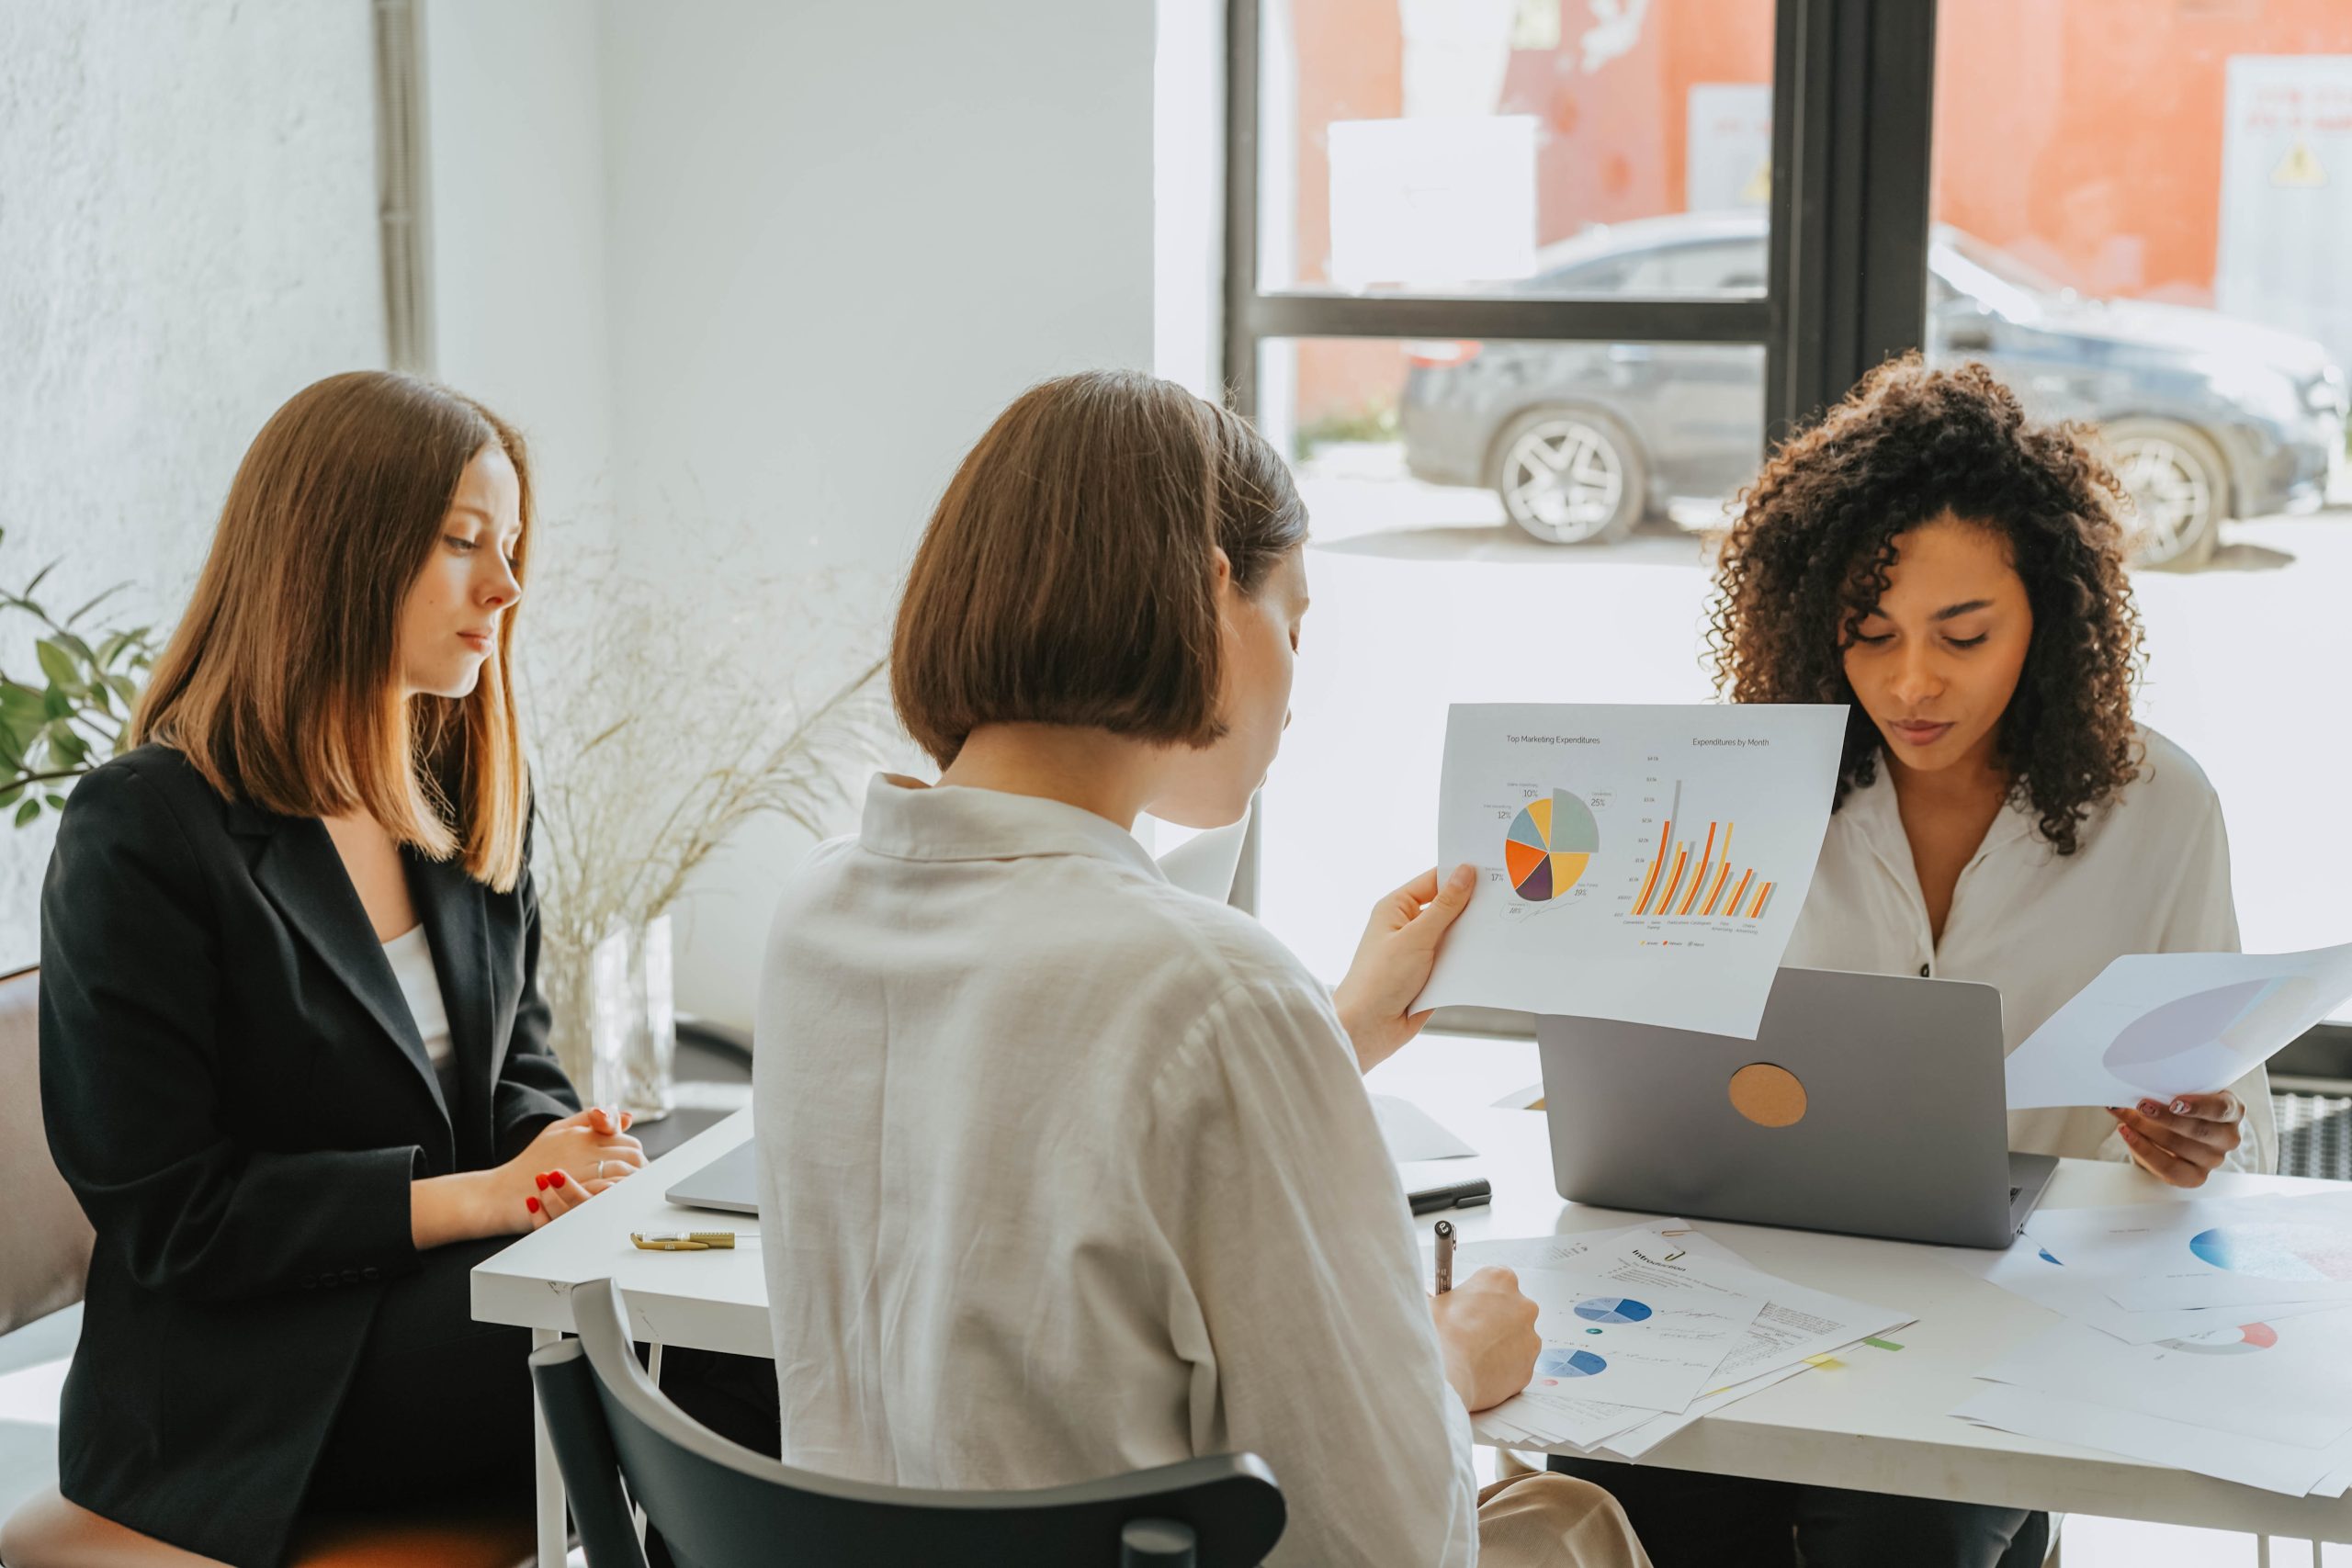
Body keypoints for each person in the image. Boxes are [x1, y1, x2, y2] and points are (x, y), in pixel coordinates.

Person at [752, 369, 1651, 1567]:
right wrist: (1448, 1352)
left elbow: (1045, 1142)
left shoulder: (816, 913)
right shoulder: (1210, 991)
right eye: (1297, 620)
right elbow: (1383, 1538)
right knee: (1570, 1522)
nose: (1298, 685)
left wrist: (1325, 1035)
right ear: (1210, 594)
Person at [1553, 356, 2275, 1566]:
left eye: (1965, 633)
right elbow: (1647, 1074)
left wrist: (2193, 1138)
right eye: (1869, 634)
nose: (1913, 681)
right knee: (1624, 1505)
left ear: (2049, 614)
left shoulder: (2160, 808)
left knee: (1898, 1538)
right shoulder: (1743, 789)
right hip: (1746, 1290)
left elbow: (2221, 1108)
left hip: (2009, 1324)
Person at [37, 371, 645, 1568]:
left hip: (438, 1314)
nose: (506, 587)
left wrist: (572, 1167)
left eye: (511, 546)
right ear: (338, 550)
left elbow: (517, 1058)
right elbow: (174, 1216)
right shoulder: (145, 829)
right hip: (243, 1381)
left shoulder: (464, 797)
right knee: (701, 1367)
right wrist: (478, 1200)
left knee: (740, 1343)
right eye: (464, 541)